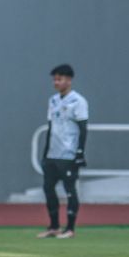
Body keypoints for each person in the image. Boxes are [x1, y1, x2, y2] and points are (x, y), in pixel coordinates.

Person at [36, 64, 88, 239]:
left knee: (69, 189)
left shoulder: (78, 101)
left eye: (59, 79)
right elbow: (51, 127)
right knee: (48, 189)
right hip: (53, 154)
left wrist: (80, 152)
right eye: (54, 79)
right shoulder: (53, 100)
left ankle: (70, 229)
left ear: (69, 80)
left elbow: (83, 128)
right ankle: (54, 226)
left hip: (68, 154)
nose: (55, 82)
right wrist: (45, 153)